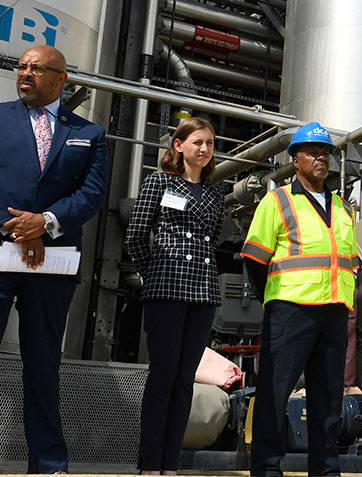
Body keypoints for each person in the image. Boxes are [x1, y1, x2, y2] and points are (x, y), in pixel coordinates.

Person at [0, 45, 108, 474]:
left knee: (42, 363)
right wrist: (17, 228)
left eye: (37, 68)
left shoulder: (89, 134)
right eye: (22, 67)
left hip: (50, 261)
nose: (26, 73)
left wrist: (46, 222)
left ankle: (49, 463)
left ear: (60, 78)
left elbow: (91, 194)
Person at [240, 122, 357, 477]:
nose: (321, 158)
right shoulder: (277, 201)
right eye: (312, 152)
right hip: (290, 311)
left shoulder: (342, 208)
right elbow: (254, 258)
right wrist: (274, 302)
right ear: (295, 159)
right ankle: (267, 469)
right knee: (275, 395)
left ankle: (325, 470)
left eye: (326, 153)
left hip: (333, 313)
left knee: (328, 400)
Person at [124, 117, 226, 475]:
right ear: (178, 145)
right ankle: (150, 463)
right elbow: (136, 235)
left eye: (210, 143)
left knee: (186, 380)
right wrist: (153, 274)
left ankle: (171, 464)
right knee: (163, 375)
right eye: (197, 141)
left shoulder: (215, 191)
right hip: (165, 286)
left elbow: (215, 237)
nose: (204, 149)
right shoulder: (159, 182)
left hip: (202, 291)